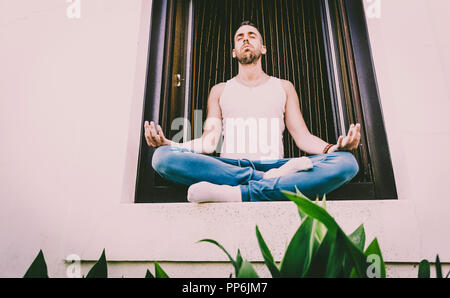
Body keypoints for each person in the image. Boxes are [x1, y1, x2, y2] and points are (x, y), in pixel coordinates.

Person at [144, 21, 361, 203]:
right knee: (162, 158)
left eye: (252, 36)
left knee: (346, 163)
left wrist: (333, 148)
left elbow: (302, 137)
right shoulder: (220, 90)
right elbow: (209, 142)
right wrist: (170, 145)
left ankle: (239, 193)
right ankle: (266, 180)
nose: (245, 39)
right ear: (233, 52)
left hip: (277, 164)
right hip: (230, 167)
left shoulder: (284, 86)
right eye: (240, 37)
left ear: (263, 48)